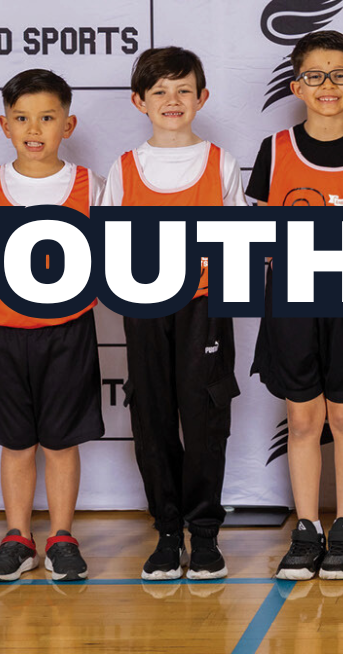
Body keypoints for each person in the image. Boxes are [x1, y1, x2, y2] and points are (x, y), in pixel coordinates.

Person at [246, 30, 343, 581]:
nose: (327, 85)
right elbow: (264, 233)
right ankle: (308, 527)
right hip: (291, 301)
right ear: (297, 86)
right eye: (315, 75)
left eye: (340, 75)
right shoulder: (275, 150)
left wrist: (317, 232)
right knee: (303, 417)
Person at [101, 47, 247, 581]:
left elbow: (239, 244)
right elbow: (107, 245)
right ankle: (167, 533)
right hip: (145, 305)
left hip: (204, 305)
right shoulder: (124, 168)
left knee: (205, 417)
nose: (172, 99)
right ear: (138, 101)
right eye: (159, 90)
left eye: (183, 89)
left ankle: (204, 535)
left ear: (202, 98)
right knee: (153, 416)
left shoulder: (220, 162)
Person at [0, 69, 104, 582]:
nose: (34, 128)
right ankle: (18, 538)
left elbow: (108, 259)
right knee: (16, 442)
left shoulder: (92, 186)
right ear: (5, 125)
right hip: (4, 331)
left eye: (47, 118)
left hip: (68, 330)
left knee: (61, 442)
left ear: (68, 125)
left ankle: (62, 537)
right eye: (22, 118)